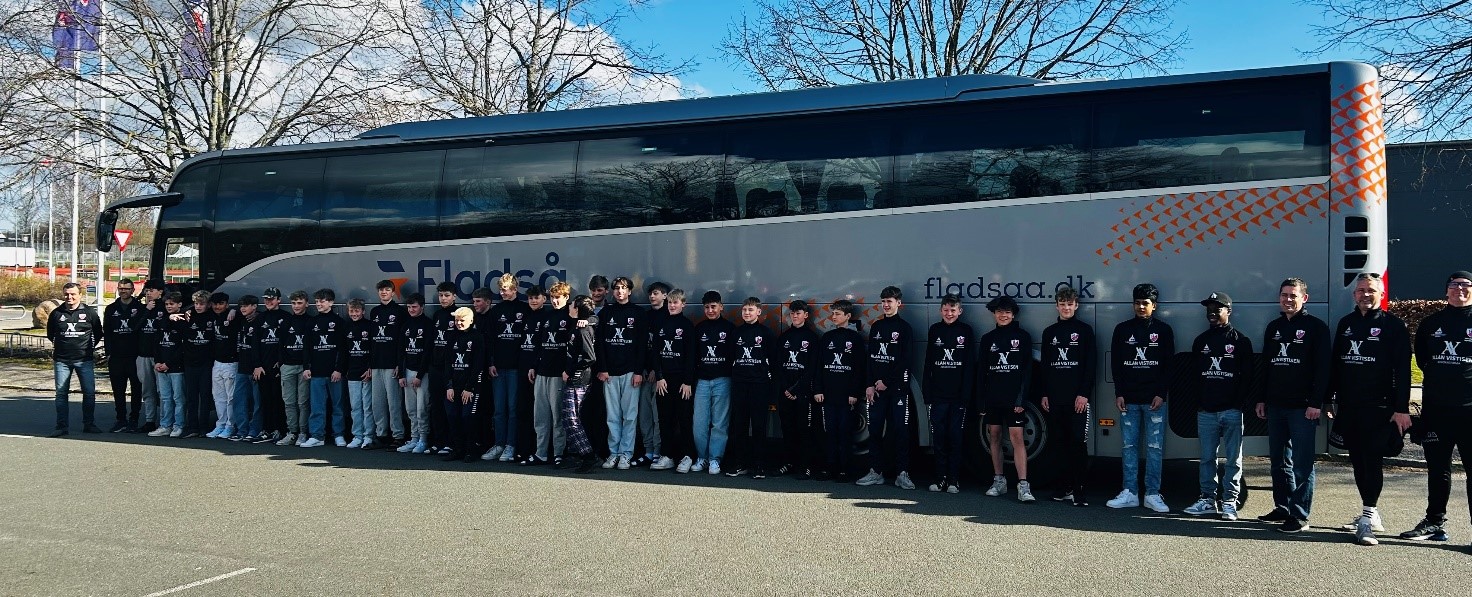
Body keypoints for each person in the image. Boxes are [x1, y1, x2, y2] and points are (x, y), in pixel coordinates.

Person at [1329, 272, 1411, 546]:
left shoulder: (1393, 325)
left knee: (1372, 460)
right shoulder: (1346, 323)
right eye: (1361, 290)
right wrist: (1330, 399)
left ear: (1381, 294)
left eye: (1371, 290)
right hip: (1350, 406)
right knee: (1357, 460)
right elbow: (1337, 364)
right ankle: (1370, 512)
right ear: (1354, 295)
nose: (1365, 294)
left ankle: (1367, 519)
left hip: (1380, 408)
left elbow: (1403, 371)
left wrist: (1401, 408)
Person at [1399, 270, 1472, 545]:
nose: (1459, 289)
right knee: (1438, 469)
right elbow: (1423, 361)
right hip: (1437, 410)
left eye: (1465, 285)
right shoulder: (1431, 324)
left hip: (1469, 411)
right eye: (1454, 285)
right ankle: (1434, 522)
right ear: (1446, 290)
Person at [1255, 278, 1330, 533]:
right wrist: (1262, 398)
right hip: (1276, 405)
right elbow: (1266, 366)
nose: (1288, 300)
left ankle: (1299, 515)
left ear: (1304, 298)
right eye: (1284, 295)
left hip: (1303, 408)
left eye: (1293, 295)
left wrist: (1316, 402)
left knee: (1302, 464)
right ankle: (1283, 507)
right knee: (1279, 461)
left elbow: (1323, 369)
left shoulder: (1316, 327)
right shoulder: (1274, 327)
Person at [1181, 292, 1254, 521]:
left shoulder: (1241, 341)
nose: (1212, 313)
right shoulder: (1201, 341)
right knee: (1206, 459)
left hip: (1231, 411)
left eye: (1218, 308)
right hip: (1207, 412)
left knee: (1233, 460)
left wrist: (1238, 404)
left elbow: (1248, 377)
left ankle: (1230, 502)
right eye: (1209, 309)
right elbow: (1194, 377)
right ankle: (1207, 500)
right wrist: (1200, 404)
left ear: (1228, 311)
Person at [1106, 283, 1174, 513]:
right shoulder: (1122, 330)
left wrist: (1161, 394)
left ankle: (1152, 494)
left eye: (1145, 303)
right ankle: (1130, 492)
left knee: (1155, 448)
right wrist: (1119, 393)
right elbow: (1116, 364)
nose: (1141, 307)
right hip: (1129, 400)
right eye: (1137, 303)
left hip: (1154, 401)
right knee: (1129, 446)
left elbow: (1169, 366)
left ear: (1154, 306)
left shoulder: (1163, 330)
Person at [1039, 286, 1095, 506]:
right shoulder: (1049, 332)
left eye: (1070, 304)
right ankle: (1063, 488)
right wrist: (1044, 393)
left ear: (1076, 305)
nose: (1066, 308)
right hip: (1055, 398)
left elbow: (1090, 365)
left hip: (1077, 400)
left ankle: (1079, 490)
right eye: (1062, 304)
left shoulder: (1085, 330)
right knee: (1059, 444)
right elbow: (1045, 366)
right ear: (1056, 306)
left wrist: (1084, 394)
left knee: (1078, 443)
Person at [857, 286, 916, 490]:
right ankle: (875, 472)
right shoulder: (876, 327)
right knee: (874, 430)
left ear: (899, 303)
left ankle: (902, 473)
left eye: (889, 301)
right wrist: (869, 385)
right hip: (876, 391)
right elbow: (871, 358)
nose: (886, 305)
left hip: (897, 389)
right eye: (883, 301)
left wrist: (887, 382)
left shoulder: (905, 328)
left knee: (900, 430)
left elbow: (905, 361)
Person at [978, 296, 1035, 502]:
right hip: (993, 398)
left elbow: (1027, 372)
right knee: (994, 436)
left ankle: (1023, 485)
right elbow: (982, 372)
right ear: (994, 314)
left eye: (1007, 312)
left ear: (1013, 314)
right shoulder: (988, 338)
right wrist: (982, 400)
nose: (1003, 315)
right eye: (1000, 312)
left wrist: (1021, 400)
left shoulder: (1023, 337)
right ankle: (999, 481)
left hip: (1014, 399)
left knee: (1017, 438)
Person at [923, 294, 974, 494]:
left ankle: (954, 479)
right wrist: (927, 392)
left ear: (960, 311)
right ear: (940, 311)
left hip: (958, 397)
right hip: (938, 396)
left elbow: (969, 365)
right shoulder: (935, 330)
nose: (949, 313)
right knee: (939, 438)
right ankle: (940, 478)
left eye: (953, 310)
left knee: (955, 438)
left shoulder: (966, 331)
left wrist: (966, 395)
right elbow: (928, 363)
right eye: (946, 310)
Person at [814, 300, 865, 482]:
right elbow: (819, 366)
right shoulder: (827, 338)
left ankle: (845, 469)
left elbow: (859, 368)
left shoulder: (855, 339)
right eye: (833, 313)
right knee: (830, 433)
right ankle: (830, 468)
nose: (834, 317)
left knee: (845, 433)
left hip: (846, 397)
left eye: (838, 314)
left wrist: (854, 393)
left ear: (848, 316)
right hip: (828, 395)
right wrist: (818, 389)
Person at [727, 297, 778, 478]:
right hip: (740, 385)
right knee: (739, 426)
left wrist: (771, 387)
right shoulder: (736, 333)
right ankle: (740, 464)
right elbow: (731, 358)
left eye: (750, 310)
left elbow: (774, 362)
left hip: (760, 386)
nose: (747, 313)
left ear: (759, 312)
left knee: (758, 426)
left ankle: (759, 466)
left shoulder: (766, 333)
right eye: (744, 310)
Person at [484, 273, 531, 462]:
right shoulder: (496, 311)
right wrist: (491, 363)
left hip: (516, 369)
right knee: (498, 409)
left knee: (513, 409)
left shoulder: (525, 309)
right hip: (498, 367)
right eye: (501, 290)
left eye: (506, 289)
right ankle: (499, 444)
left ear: (515, 289)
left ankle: (511, 445)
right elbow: (490, 340)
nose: (502, 293)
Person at [524, 282, 572, 466]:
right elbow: (539, 344)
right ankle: (541, 452)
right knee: (540, 416)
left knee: (558, 416)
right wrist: (533, 366)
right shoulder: (546, 316)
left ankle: (559, 453)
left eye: (558, 297)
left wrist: (568, 370)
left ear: (566, 297)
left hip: (559, 375)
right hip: (541, 373)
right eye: (552, 297)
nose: (555, 301)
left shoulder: (570, 316)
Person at [47, 282, 103, 436]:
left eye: (73, 294)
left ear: (80, 295)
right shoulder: (56, 313)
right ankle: (61, 426)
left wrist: (89, 348)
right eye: (66, 294)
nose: (69, 297)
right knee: (61, 394)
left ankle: (89, 424)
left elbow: (98, 333)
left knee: (89, 393)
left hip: (84, 360)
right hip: (62, 361)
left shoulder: (90, 312)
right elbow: (50, 334)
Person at [691, 290, 735, 475]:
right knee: (699, 423)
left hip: (723, 380)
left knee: (719, 423)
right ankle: (702, 458)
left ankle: (715, 459)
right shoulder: (699, 328)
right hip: (702, 381)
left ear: (721, 307)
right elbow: (693, 356)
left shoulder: (730, 328)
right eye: (707, 307)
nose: (710, 310)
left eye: (713, 307)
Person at [775, 300, 820, 478]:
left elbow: (812, 368)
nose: (795, 316)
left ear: (806, 315)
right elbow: (778, 366)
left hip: (803, 393)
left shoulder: (812, 338)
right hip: (785, 392)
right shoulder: (784, 337)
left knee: (804, 430)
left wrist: (796, 389)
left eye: (798, 313)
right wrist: (787, 388)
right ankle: (788, 462)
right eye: (792, 313)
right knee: (787, 428)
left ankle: (805, 465)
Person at [653, 289, 696, 472]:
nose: (672, 305)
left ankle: (688, 456)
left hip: (682, 382)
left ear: (683, 304)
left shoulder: (687, 326)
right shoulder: (661, 324)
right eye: (670, 302)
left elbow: (691, 356)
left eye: (675, 302)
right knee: (665, 419)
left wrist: (687, 382)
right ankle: (667, 456)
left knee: (684, 419)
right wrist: (659, 377)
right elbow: (655, 353)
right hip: (664, 381)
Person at [303, 288, 349, 448]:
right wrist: (306, 367)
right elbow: (306, 348)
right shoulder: (311, 323)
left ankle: (339, 435)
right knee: (317, 407)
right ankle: (317, 436)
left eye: (322, 301)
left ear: (331, 302)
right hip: (316, 372)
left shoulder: (339, 322)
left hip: (334, 373)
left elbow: (343, 349)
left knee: (338, 406)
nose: (319, 304)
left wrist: (339, 369)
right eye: (317, 301)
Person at [563, 295, 601, 473]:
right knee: (568, 418)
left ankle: (589, 456)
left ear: (577, 309)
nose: (569, 307)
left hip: (580, 380)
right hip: (573, 378)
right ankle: (577, 454)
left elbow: (590, 357)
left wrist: (570, 371)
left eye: (571, 305)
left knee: (572, 418)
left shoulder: (584, 329)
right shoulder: (576, 325)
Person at [635, 281, 671, 468]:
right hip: (644, 373)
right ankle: (648, 451)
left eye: (656, 293)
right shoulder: (645, 316)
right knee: (645, 416)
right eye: (650, 293)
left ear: (665, 296)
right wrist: (642, 369)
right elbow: (641, 346)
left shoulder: (668, 317)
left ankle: (658, 451)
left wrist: (657, 372)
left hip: (659, 377)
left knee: (659, 417)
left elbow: (666, 350)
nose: (651, 296)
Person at [103, 277, 145, 432]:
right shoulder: (111, 309)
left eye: (126, 288)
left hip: (135, 356)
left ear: (133, 290)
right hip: (116, 356)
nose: (123, 291)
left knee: (136, 390)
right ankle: (120, 419)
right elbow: (107, 332)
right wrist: (108, 352)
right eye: (121, 288)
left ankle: (134, 419)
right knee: (118, 390)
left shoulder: (140, 308)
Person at [445, 306, 486, 462]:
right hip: (454, 386)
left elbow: (478, 364)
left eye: (462, 320)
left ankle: (471, 450)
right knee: (453, 416)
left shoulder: (477, 337)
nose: (459, 323)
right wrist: (449, 386)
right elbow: (447, 364)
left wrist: (470, 388)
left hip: (471, 386)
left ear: (471, 320)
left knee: (468, 417)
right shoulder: (452, 336)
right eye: (457, 320)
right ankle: (458, 449)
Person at [369, 280, 407, 447]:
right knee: (377, 403)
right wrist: (370, 364)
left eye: (387, 289)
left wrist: (399, 364)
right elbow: (372, 341)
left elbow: (402, 341)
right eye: (381, 290)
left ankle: (398, 435)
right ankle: (381, 434)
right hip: (376, 364)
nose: (383, 292)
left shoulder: (400, 312)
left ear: (392, 292)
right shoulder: (374, 312)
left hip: (392, 365)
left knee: (394, 403)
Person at [397, 293, 433, 453]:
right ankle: (414, 438)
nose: (411, 309)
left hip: (422, 374)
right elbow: (400, 351)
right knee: (410, 409)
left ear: (422, 307)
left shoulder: (428, 325)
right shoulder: (405, 325)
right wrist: (401, 374)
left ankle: (423, 440)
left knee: (422, 409)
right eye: (409, 307)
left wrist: (419, 375)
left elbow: (427, 352)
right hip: (408, 372)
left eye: (414, 307)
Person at [148, 292, 187, 437]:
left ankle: (179, 425)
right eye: (167, 304)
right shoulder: (162, 320)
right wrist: (157, 361)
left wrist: (168, 363)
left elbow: (182, 347)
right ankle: (165, 425)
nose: (169, 306)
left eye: (172, 304)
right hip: (161, 366)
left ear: (179, 304)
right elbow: (156, 343)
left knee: (178, 398)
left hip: (176, 367)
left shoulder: (184, 321)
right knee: (165, 398)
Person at [277, 290, 313, 446]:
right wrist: (282, 363)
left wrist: (308, 365)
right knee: (289, 402)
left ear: (307, 304)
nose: (296, 306)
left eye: (299, 303)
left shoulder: (311, 321)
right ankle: (292, 432)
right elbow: (280, 344)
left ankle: (303, 433)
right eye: (293, 303)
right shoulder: (286, 321)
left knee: (303, 402)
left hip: (304, 367)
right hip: (288, 367)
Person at [427, 282, 459, 455]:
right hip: (435, 367)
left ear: (454, 296)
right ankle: (438, 441)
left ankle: (451, 442)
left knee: (450, 407)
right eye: (441, 295)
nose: (443, 299)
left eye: (447, 295)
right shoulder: (437, 315)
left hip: (451, 368)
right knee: (436, 406)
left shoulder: (458, 314)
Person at [254, 287, 287, 443]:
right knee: (265, 400)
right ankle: (267, 429)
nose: (268, 301)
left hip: (279, 367)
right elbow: (255, 344)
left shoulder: (286, 317)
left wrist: (281, 363)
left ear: (279, 300)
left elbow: (287, 343)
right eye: (266, 299)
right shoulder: (260, 318)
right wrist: (257, 365)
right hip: (263, 368)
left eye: (272, 299)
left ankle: (280, 429)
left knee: (279, 400)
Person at [180, 290, 215, 438]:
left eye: (202, 304)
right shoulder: (187, 315)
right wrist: (180, 313)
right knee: (191, 397)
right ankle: (192, 426)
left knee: (205, 396)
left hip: (206, 363)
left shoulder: (213, 317)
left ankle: (204, 427)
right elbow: (173, 314)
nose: (198, 306)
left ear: (208, 304)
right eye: (196, 303)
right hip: (190, 363)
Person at [206, 292, 242, 439]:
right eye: (215, 304)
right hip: (217, 363)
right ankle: (220, 425)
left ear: (227, 304)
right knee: (218, 397)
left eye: (221, 304)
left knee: (230, 398)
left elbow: (250, 312)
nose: (217, 307)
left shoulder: (234, 316)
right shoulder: (212, 315)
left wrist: (234, 311)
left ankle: (230, 426)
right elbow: (195, 309)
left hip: (231, 363)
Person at [230, 295, 265, 441]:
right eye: (241, 306)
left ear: (255, 306)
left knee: (257, 403)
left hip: (255, 368)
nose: (242, 308)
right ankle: (241, 430)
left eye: (246, 306)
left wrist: (258, 365)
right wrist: (233, 310)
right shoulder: (241, 319)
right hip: (242, 368)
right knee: (239, 400)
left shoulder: (260, 320)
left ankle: (255, 430)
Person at [133, 279, 167, 434]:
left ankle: (165, 421)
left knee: (163, 392)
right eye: (147, 290)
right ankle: (149, 420)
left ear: (160, 292)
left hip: (160, 357)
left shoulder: (165, 308)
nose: (148, 293)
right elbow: (134, 327)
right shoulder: (141, 309)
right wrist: (146, 310)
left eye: (152, 290)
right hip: (143, 355)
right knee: (148, 391)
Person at [344, 298, 375, 449]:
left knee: (367, 406)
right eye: (351, 311)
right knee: (355, 407)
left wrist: (370, 367)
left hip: (366, 372)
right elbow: (343, 351)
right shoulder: (346, 326)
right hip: (352, 372)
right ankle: (357, 435)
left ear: (363, 311)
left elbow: (374, 349)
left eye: (357, 311)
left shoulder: (370, 326)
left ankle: (369, 436)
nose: (354, 314)